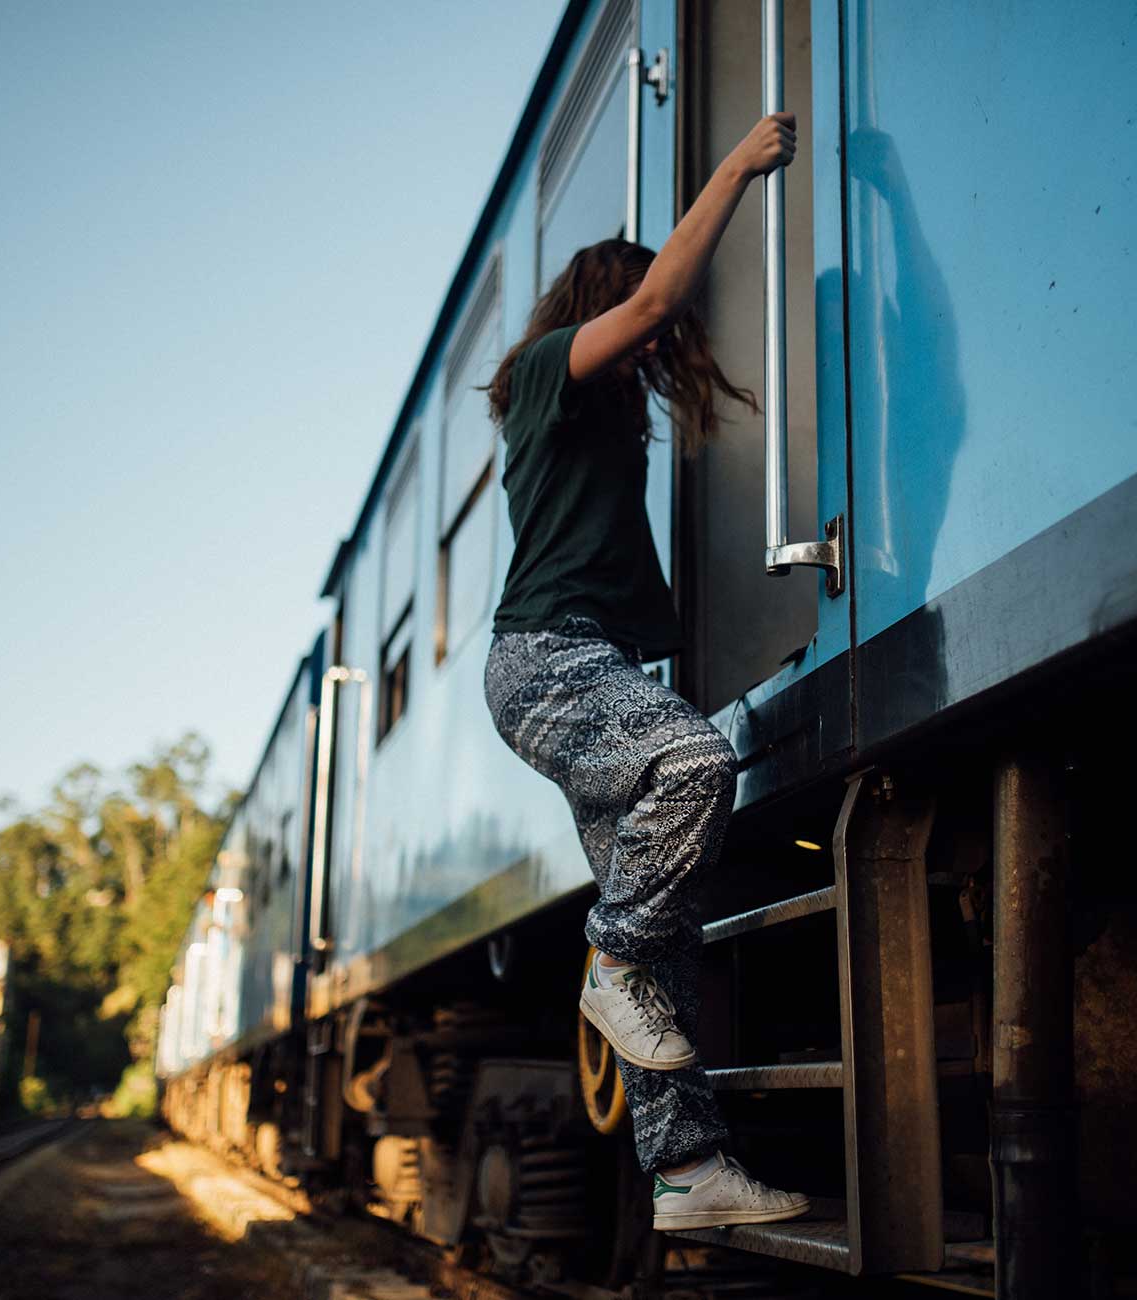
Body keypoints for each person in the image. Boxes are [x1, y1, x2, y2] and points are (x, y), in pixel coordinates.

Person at [481, 111, 809, 1231]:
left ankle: (686, 1173)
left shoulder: (606, 434)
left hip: (590, 663)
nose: (654, 345)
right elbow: (660, 298)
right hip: (546, 660)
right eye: (631, 322)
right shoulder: (542, 374)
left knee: (662, 946)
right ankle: (609, 965)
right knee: (693, 764)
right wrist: (738, 166)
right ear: (599, 309)